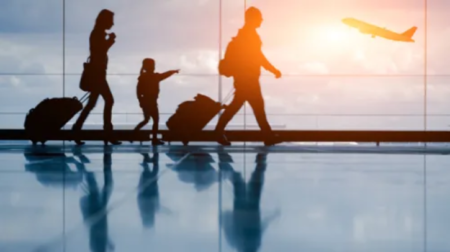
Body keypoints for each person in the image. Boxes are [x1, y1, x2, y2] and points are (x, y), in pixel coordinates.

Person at [216, 7, 282, 146]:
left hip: (244, 78)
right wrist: (273, 69)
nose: (261, 20)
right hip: (248, 79)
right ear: (252, 19)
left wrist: (272, 69)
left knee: (241, 106)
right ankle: (267, 136)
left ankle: (267, 136)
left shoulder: (245, 35)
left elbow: (257, 57)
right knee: (256, 107)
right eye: (259, 17)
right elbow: (258, 57)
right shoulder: (250, 36)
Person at [72, 9, 121, 146]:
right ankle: (107, 134)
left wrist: (109, 40)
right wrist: (111, 40)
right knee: (109, 101)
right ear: (104, 20)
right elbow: (100, 50)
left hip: (97, 73)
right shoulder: (98, 33)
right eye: (111, 20)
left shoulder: (97, 33)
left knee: (91, 104)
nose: (112, 23)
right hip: (98, 74)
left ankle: (76, 130)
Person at [134, 58, 179, 145]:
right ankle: (153, 139)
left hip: (146, 101)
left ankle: (134, 133)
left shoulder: (143, 77)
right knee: (155, 120)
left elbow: (138, 91)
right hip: (151, 102)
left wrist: (140, 101)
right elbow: (165, 75)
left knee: (147, 119)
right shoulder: (154, 77)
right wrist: (173, 71)